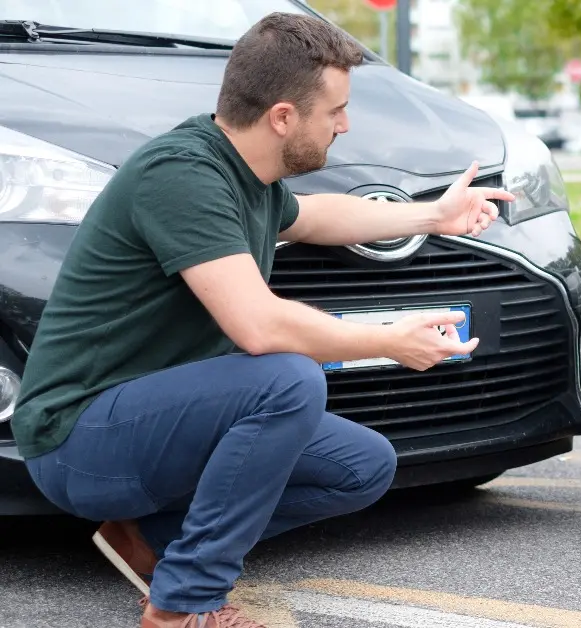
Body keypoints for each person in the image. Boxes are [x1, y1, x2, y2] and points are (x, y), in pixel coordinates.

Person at [11, 12, 514, 628]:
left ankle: (151, 539)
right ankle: (182, 606)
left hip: (148, 427)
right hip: (78, 440)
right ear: (283, 116)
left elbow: (316, 217)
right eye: (335, 111)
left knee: (364, 466)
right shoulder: (184, 174)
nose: (345, 125)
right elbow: (261, 328)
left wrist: (431, 216)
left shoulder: (247, 175)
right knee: (287, 379)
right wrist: (387, 341)